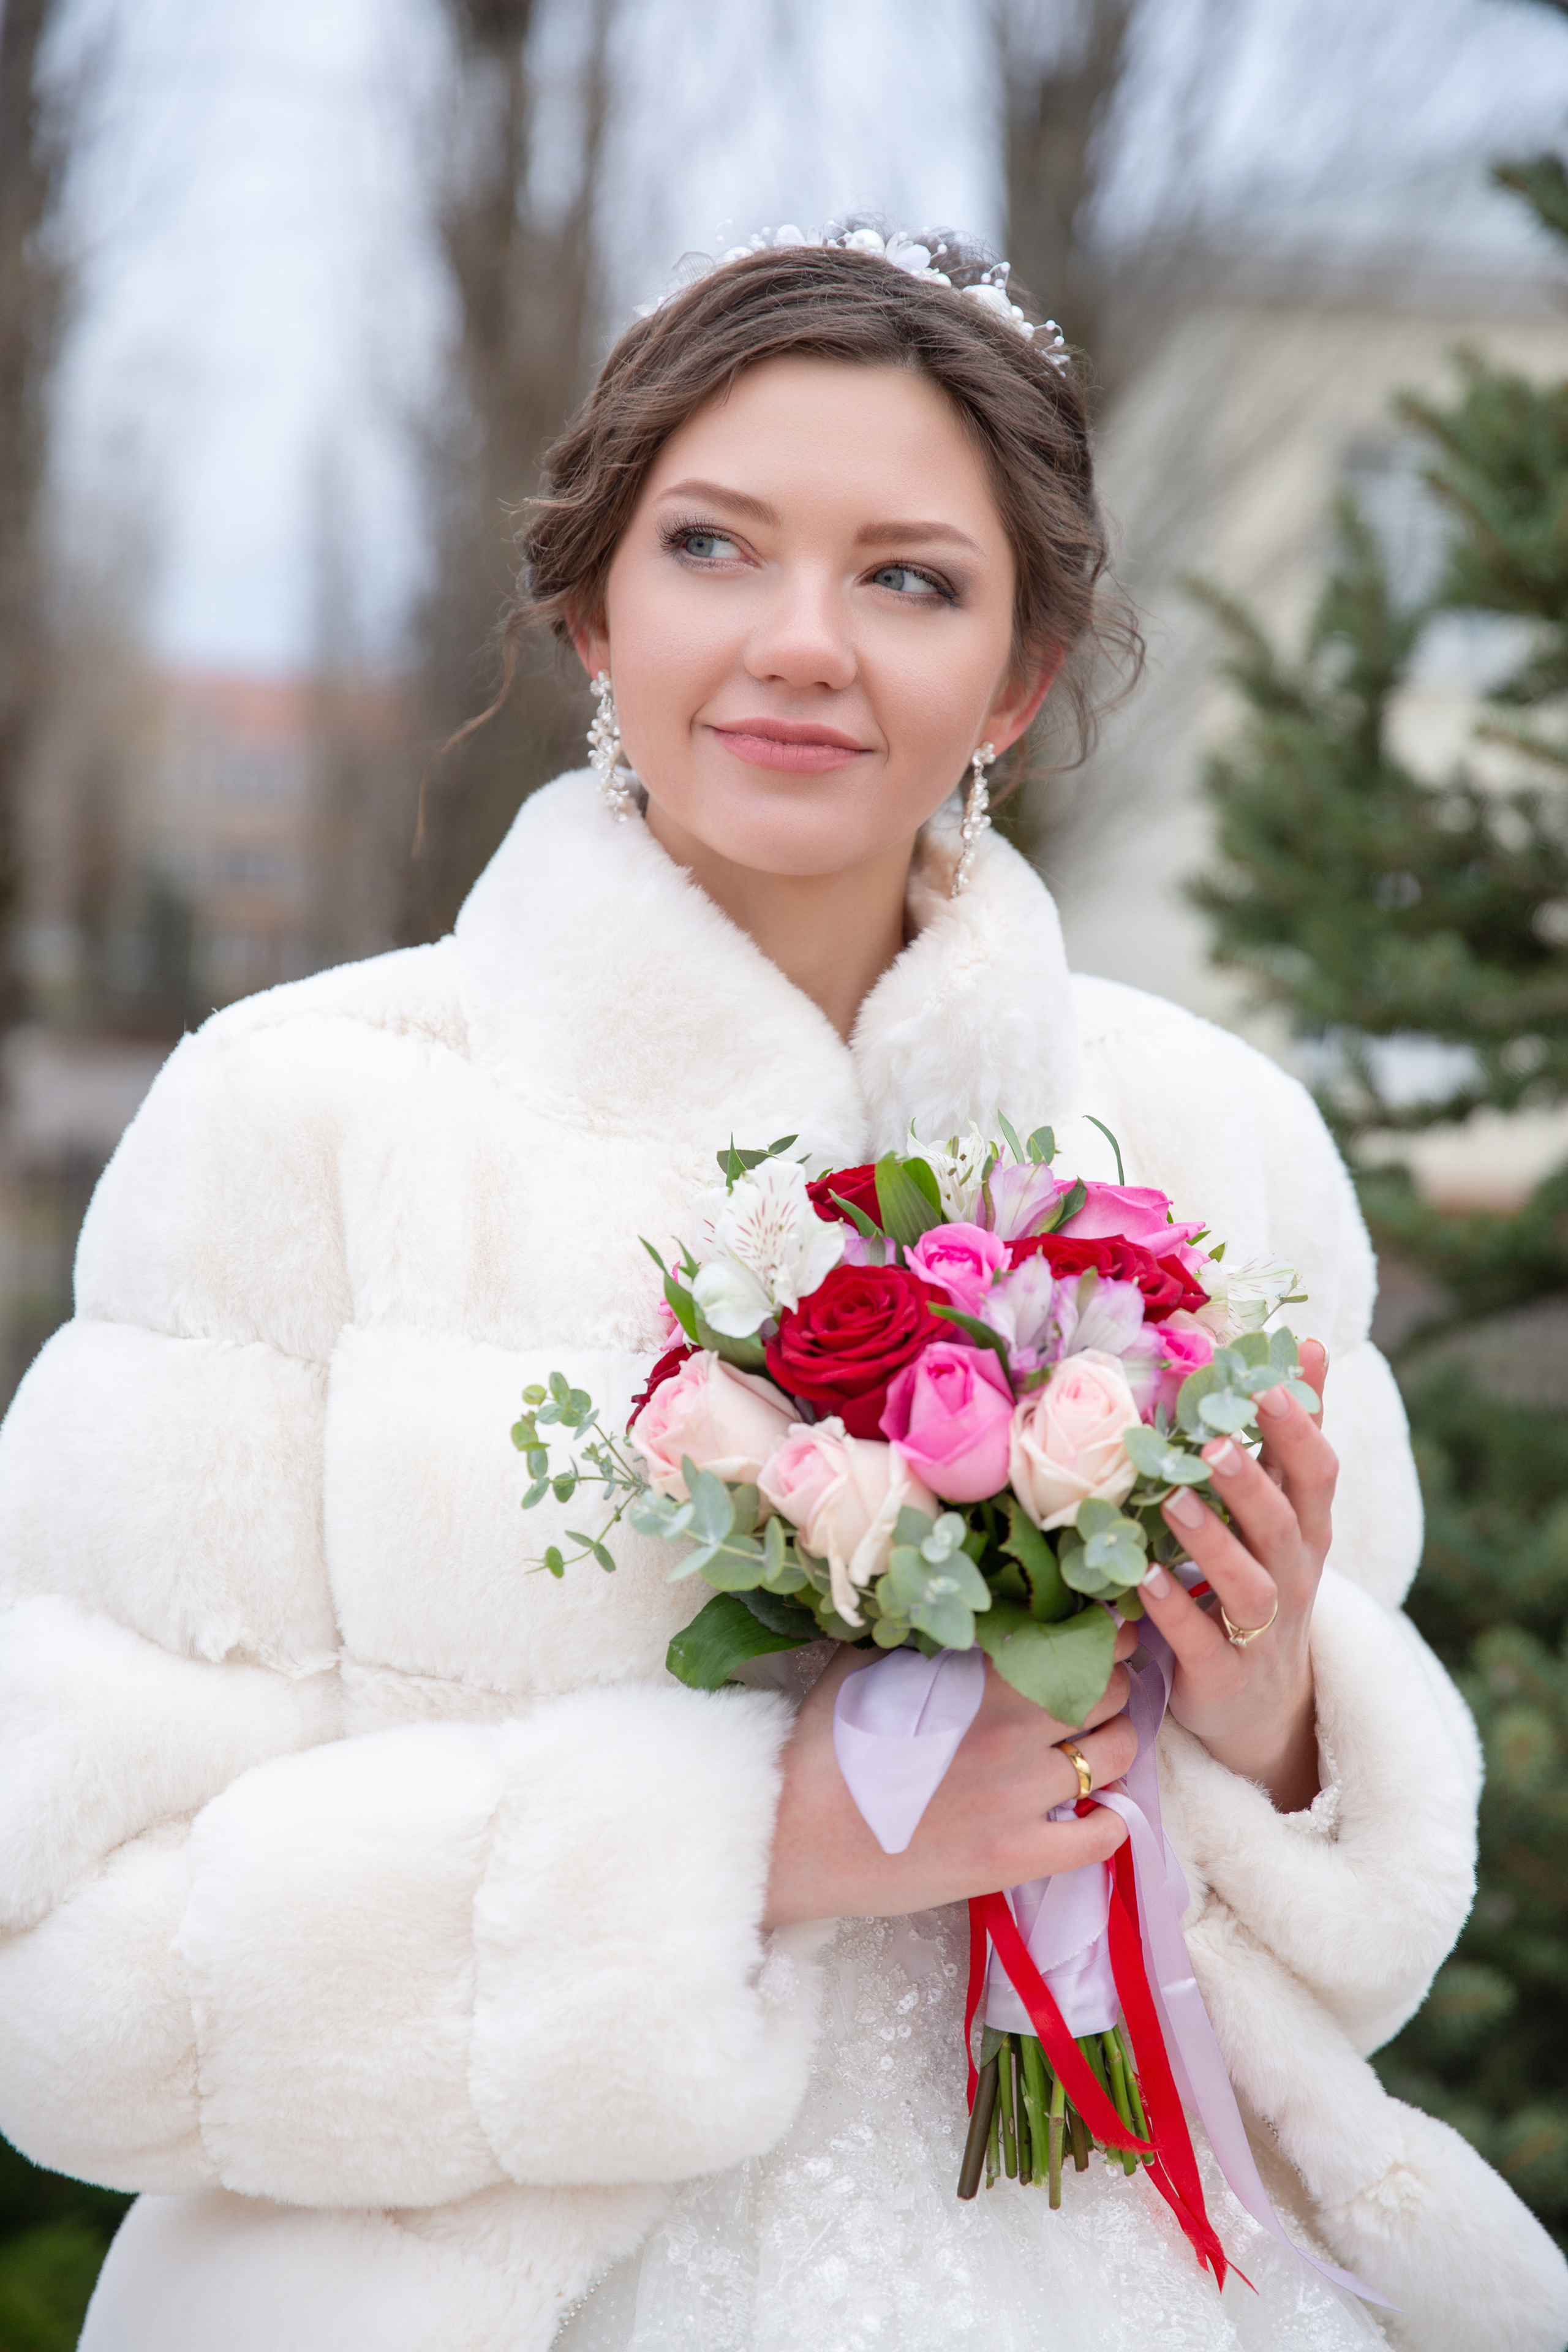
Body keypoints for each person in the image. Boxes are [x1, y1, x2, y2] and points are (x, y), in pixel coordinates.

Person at [0, 227, 1562, 2352]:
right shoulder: (302, 1121)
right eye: (715, 547)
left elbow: (1346, 1966)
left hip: (1120, 2261)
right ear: (594, 606)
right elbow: (78, 1981)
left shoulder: (1212, 1142)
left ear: (1018, 678)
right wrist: (757, 1847)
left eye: (909, 577)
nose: (802, 644)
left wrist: (1275, 1724)